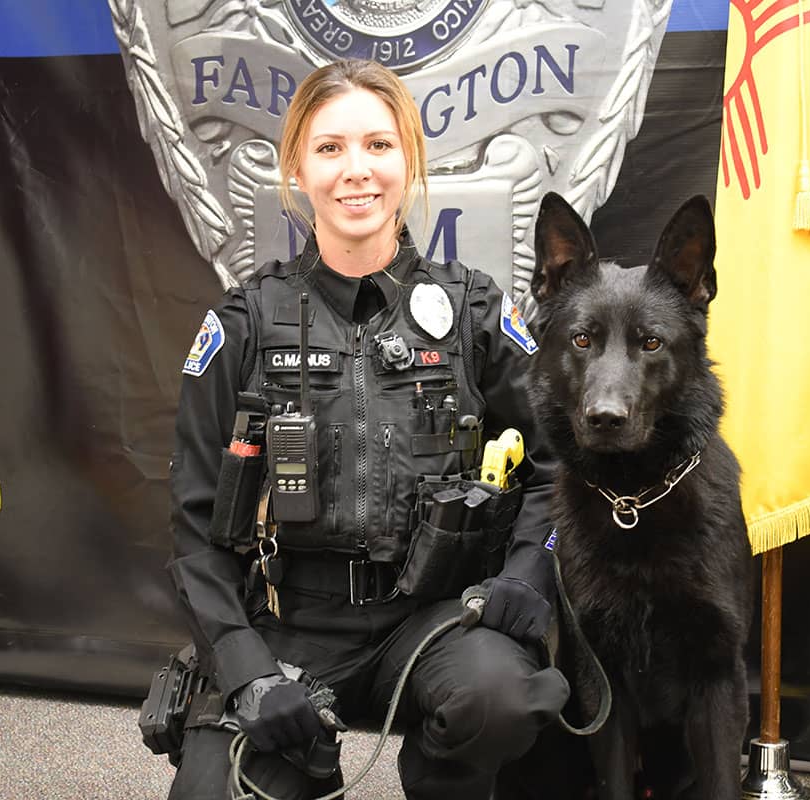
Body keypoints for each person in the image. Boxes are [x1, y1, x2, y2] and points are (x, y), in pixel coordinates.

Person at [164, 58, 570, 800]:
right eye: (330, 148)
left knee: (500, 698)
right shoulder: (244, 323)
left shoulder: (474, 313)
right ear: (297, 167)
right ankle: (297, 761)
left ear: (409, 161)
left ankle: (446, 778)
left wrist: (527, 571)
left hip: (435, 623)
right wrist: (246, 670)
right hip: (289, 624)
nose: (358, 171)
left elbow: (559, 461)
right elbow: (195, 528)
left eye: (379, 146)